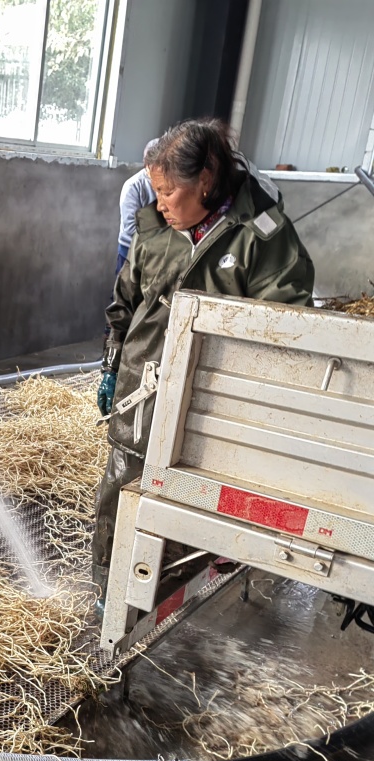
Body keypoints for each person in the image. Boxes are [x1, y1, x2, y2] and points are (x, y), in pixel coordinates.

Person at [93, 118, 315, 604]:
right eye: (156, 190)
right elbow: (125, 299)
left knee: (188, 502)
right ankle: (108, 591)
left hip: (213, 407)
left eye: (170, 191)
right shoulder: (156, 225)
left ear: (206, 180)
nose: (160, 203)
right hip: (142, 388)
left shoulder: (261, 235)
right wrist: (112, 360)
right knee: (121, 488)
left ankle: (165, 599)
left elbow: (286, 325)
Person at [115, 138, 159, 276]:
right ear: (147, 165)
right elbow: (130, 229)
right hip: (130, 250)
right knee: (124, 292)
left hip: (157, 252)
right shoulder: (133, 186)